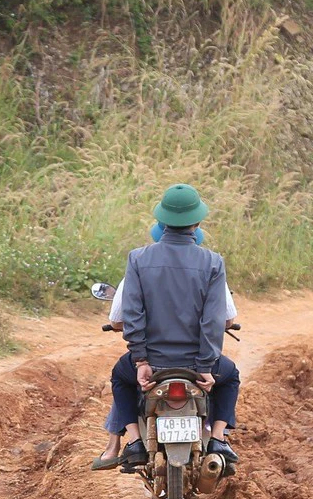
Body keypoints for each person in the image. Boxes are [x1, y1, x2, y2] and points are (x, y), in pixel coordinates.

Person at [89, 185, 240, 472]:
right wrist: (206, 366)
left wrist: (141, 360)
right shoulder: (212, 262)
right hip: (196, 365)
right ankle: (218, 438)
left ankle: (132, 441)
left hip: (154, 362)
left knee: (121, 378)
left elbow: (131, 313)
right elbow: (212, 321)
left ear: (162, 221)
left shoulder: (138, 258)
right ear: (197, 223)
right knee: (230, 376)